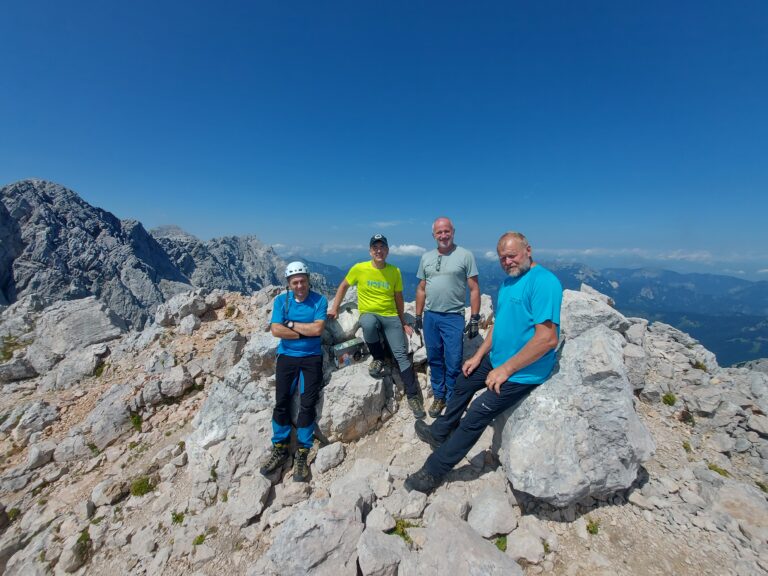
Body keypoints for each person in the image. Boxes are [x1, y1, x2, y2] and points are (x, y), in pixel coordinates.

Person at [405, 231, 563, 492]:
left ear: (528, 250)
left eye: (512, 255)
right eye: (502, 258)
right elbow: (500, 325)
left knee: (478, 411)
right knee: (463, 380)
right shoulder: (508, 283)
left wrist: (505, 370)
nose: (507, 262)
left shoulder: (544, 282)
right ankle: (440, 431)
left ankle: (433, 471)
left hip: (523, 370)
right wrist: (479, 356)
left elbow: (547, 339)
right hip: (498, 359)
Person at [328, 234, 426, 419]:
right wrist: (334, 308)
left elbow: (398, 297)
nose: (379, 251)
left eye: (382, 247)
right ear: (370, 251)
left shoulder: (394, 271)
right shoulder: (359, 268)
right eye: (375, 248)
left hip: (390, 316)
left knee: (401, 355)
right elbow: (343, 286)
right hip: (370, 314)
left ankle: (414, 397)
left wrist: (402, 321)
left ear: (387, 250)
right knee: (367, 323)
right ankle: (378, 357)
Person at [260, 261, 327, 483]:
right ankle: (280, 447)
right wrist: (304, 332)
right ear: (289, 284)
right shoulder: (281, 300)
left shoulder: (320, 300)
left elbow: (318, 329)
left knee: (307, 403)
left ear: (309, 280)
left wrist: (290, 324)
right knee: (281, 401)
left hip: (311, 358)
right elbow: (275, 330)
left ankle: (302, 451)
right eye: (295, 282)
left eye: (303, 281)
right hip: (287, 358)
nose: (300, 286)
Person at [415, 217, 480, 418]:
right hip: (431, 316)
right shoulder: (426, 258)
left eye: (447, 231)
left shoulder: (465, 255)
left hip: (453, 317)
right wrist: (418, 315)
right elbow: (421, 288)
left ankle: (452, 400)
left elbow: (474, 288)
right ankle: (439, 396)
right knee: (434, 358)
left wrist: (475, 317)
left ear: (453, 231)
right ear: (433, 235)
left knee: (453, 361)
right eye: (439, 232)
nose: (443, 235)